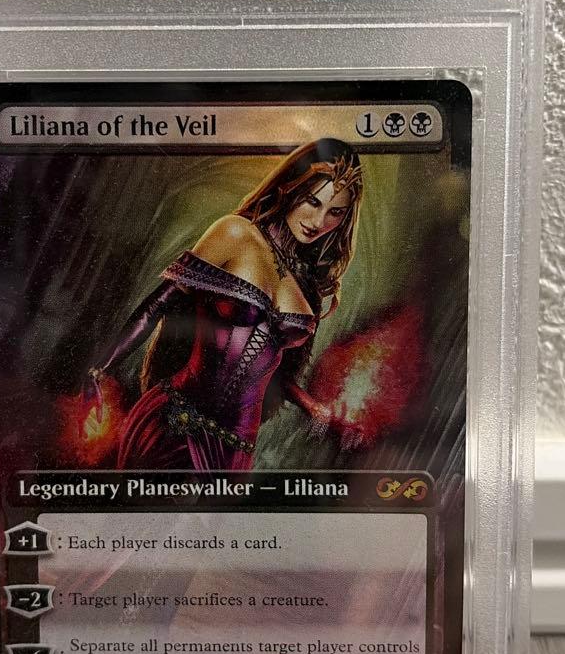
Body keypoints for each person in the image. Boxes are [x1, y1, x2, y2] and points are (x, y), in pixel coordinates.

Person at [84, 138, 364, 470]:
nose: (318, 221)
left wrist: (316, 409)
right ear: (289, 187)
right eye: (312, 201)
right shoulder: (235, 233)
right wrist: (99, 370)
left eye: (335, 212)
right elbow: (158, 304)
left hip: (235, 448)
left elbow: (272, 368)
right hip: (177, 423)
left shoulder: (307, 285)